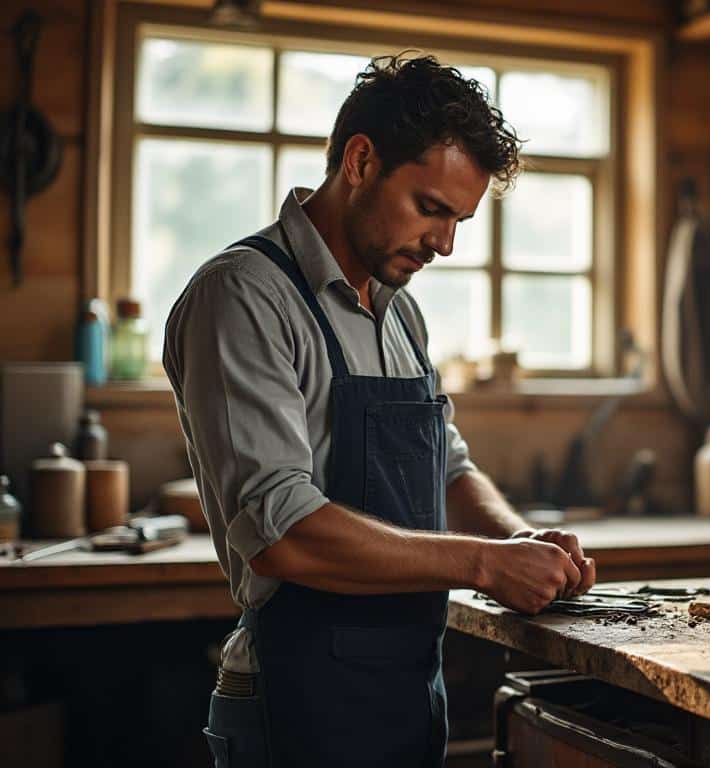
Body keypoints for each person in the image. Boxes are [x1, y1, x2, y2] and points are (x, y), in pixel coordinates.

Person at [164, 53, 597, 768]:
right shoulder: (243, 296)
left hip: (404, 691)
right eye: (431, 209)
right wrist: (485, 564)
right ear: (361, 162)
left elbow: (447, 469)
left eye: (459, 220)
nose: (445, 244)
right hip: (294, 701)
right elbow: (282, 532)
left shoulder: (401, 313)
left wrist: (519, 541)